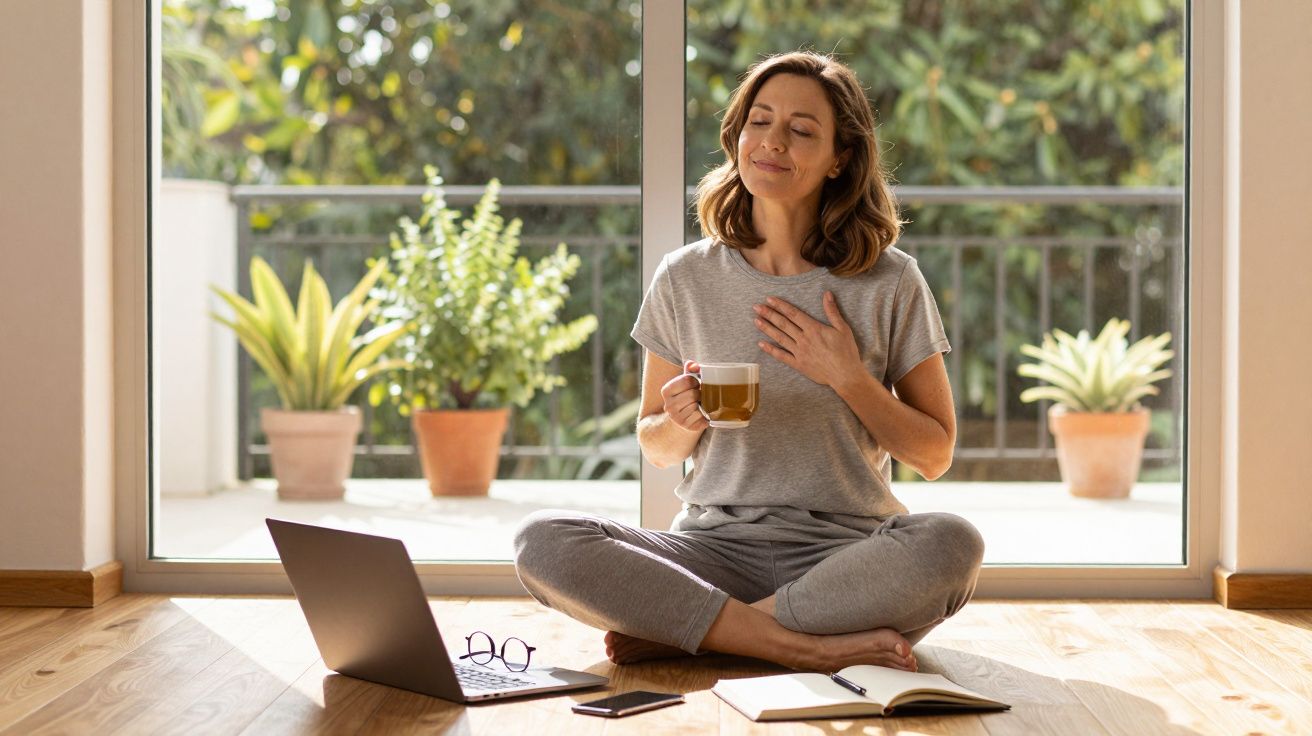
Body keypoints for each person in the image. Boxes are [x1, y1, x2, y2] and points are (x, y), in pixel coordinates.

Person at [513, 51, 983, 674]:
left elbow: (934, 454)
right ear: (736, 136)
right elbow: (656, 446)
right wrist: (683, 420)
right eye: (759, 121)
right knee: (543, 540)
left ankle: (703, 629)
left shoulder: (890, 281)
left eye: (802, 129)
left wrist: (849, 377)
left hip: (845, 557)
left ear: (840, 158)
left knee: (952, 543)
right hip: (711, 550)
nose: (772, 142)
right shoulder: (685, 276)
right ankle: (800, 646)